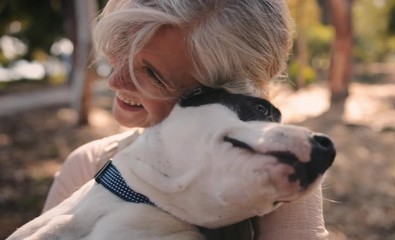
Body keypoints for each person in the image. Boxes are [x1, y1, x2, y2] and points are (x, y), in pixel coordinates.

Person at [42, 0, 329, 239]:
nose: (116, 80)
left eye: (152, 74)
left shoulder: (278, 178)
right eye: (121, 48)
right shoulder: (89, 164)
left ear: (226, 93)